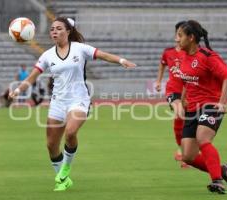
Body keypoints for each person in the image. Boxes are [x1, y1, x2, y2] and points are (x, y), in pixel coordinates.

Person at [9, 17, 136, 192]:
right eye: (52, 29)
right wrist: (17, 90)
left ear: (68, 31)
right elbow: (32, 78)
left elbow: (104, 55)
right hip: (58, 102)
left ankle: (65, 169)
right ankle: (63, 179)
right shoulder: (47, 55)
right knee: (51, 145)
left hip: (79, 100)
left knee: (70, 132)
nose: (54, 31)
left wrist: (122, 61)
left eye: (59, 28)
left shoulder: (80, 49)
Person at [170, 20, 227, 194]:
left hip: (210, 105)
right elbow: (187, 82)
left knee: (203, 138)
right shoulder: (183, 58)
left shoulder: (207, 56)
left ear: (191, 38)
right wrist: (182, 102)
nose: (176, 39)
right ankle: (222, 170)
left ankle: (217, 181)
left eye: (180, 35)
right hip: (192, 108)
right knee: (188, 156)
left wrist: (222, 103)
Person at [155, 21, 189, 168]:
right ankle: (182, 151)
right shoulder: (168, 52)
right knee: (179, 112)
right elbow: (162, 64)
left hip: (189, 91)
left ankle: (187, 151)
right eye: (178, 33)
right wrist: (158, 81)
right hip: (173, 90)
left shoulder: (191, 53)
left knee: (188, 121)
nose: (178, 36)